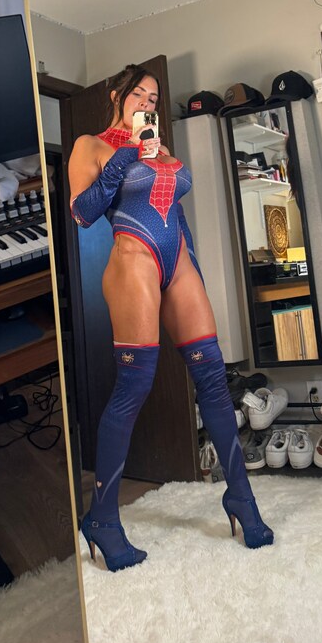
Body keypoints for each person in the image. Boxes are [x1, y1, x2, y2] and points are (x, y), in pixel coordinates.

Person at [68, 63, 273, 571]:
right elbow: (82, 212)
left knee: (213, 378)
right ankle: (102, 519)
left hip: (176, 260)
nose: (147, 103)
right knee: (134, 387)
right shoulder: (91, 145)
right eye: (138, 94)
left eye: (154, 98)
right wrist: (126, 156)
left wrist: (191, 265)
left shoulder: (160, 146)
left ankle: (241, 498)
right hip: (131, 260)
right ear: (117, 95)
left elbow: (173, 211)